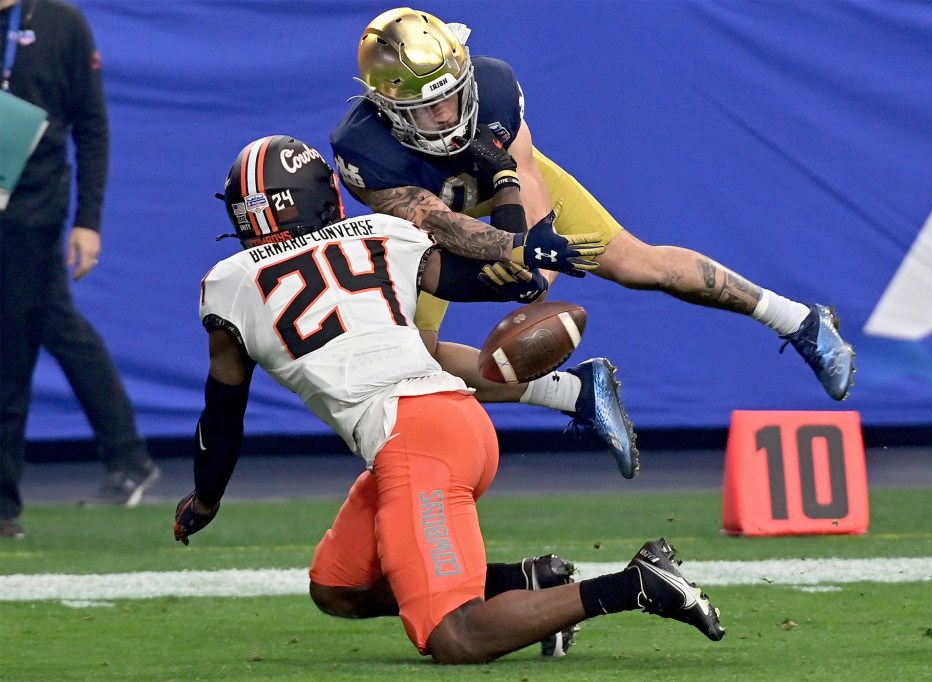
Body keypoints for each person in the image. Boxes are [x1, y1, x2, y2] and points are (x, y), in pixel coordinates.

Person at [172, 135, 724, 664]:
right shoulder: (382, 234)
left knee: (455, 638)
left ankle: (635, 584)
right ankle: (527, 584)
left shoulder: (229, 284)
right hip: (447, 425)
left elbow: (222, 415)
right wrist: (505, 182)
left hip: (414, 440)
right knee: (339, 585)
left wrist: (206, 500)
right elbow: (514, 278)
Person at [329, 8, 857, 424]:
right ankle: (575, 394)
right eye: (428, 107)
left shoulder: (491, 86)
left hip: (503, 184)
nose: (447, 114)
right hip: (438, 231)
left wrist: (538, 254)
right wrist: (519, 255)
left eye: (451, 95)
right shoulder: (365, 150)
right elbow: (442, 226)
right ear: (388, 107)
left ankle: (800, 320)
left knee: (639, 264)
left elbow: (525, 170)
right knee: (418, 365)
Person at [0, 0, 159, 539]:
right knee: (56, 327)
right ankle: (128, 457)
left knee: (14, 347)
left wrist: (86, 220)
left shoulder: (61, 23)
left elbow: (91, 126)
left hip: (30, 215)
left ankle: (3, 507)